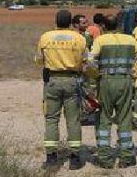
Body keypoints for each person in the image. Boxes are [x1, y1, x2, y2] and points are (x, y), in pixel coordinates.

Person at [87, 15, 137, 169]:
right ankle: (126, 157)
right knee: (124, 118)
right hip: (126, 82)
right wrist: (135, 73)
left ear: (103, 27)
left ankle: (104, 158)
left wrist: (95, 77)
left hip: (106, 82)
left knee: (104, 118)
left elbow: (90, 62)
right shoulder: (130, 39)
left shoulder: (100, 40)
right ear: (119, 25)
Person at [35, 10, 88, 170]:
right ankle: (75, 158)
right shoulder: (79, 38)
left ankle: (51, 157)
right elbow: (85, 60)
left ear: (56, 22)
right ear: (71, 22)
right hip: (72, 80)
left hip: (52, 81)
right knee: (73, 120)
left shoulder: (45, 37)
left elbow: (38, 60)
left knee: (51, 119)